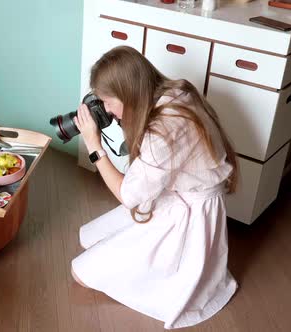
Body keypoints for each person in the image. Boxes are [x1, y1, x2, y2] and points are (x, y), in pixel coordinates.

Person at [71, 46, 238, 329]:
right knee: (92, 238)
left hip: (189, 218)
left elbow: (129, 196)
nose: (107, 111)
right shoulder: (177, 93)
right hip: (179, 197)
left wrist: (94, 146)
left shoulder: (162, 131)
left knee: (81, 274)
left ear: (128, 93)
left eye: (108, 102)